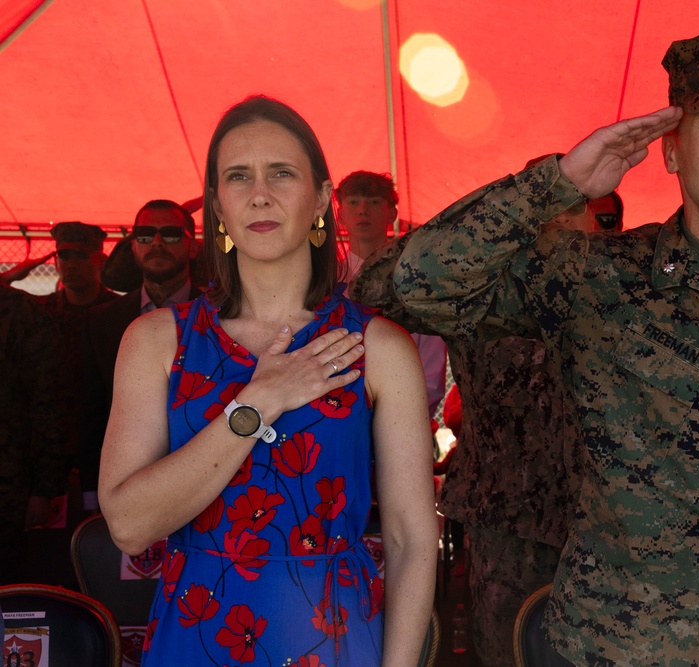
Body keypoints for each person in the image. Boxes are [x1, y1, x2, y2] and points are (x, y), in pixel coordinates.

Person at [354, 26, 699, 666]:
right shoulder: (596, 279)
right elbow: (398, 286)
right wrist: (556, 184)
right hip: (626, 646)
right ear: (670, 151)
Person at [98, 95, 438, 666]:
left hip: (334, 640)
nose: (260, 193)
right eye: (238, 177)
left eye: (281, 173)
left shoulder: (378, 347)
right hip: (195, 635)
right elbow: (129, 527)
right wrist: (258, 402)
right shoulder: (157, 341)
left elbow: (410, 540)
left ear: (322, 201)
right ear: (217, 207)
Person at [352, 159, 604, 666]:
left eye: (573, 206)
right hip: (507, 525)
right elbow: (376, 284)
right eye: (544, 207)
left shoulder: (624, 285)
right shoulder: (471, 293)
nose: (558, 220)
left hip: (614, 526)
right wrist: (515, 202)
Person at [78, 200, 203, 513]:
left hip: (206, 483)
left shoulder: (224, 314)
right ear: (133, 247)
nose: (157, 242)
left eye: (171, 234)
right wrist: (92, 493)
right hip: (125, 487)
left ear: (193, 247)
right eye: (145, 235)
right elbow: (91, 411)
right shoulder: (101, 321)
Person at [334, 170, 448, 420]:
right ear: (339, 214)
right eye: (353, 202)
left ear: (392, 213)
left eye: (374, 202)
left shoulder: (416, 281)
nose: (363, 210)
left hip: (402, 419)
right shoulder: (327, 282)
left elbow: (430, 371)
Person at [0, 284, 66, 584]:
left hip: (9, 489)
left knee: (14, 599)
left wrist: (43, 488)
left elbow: (47, 403)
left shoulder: (21, 312)